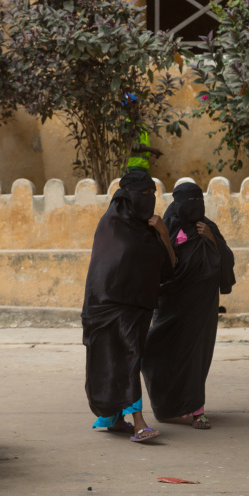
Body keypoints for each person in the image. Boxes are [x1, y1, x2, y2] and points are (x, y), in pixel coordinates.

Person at [82, 170, 175, 443]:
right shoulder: (110, 226)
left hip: (138, 306)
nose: (149, 199)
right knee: (116, 360)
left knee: (129, 358)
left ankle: (125, 420)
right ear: (126, 196)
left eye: (152, 194)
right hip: (105, 306)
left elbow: (170, 269)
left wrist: (165, 233)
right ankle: (134, 422)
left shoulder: (150, 230)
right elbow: (105, 268)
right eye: (143, 194)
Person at [142, 182, 236, 429]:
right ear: (177, 202)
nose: (195, 206)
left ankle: (197, 411)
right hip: (171, 306)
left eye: (199, 200)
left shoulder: (207, 227)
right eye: (189, 201)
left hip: (202, 307)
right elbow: (163, 266)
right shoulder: (167, 227)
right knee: (159, 353)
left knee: (196, 357)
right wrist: (164, 235)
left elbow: (226, 259)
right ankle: (167, 408)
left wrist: (212, 239)